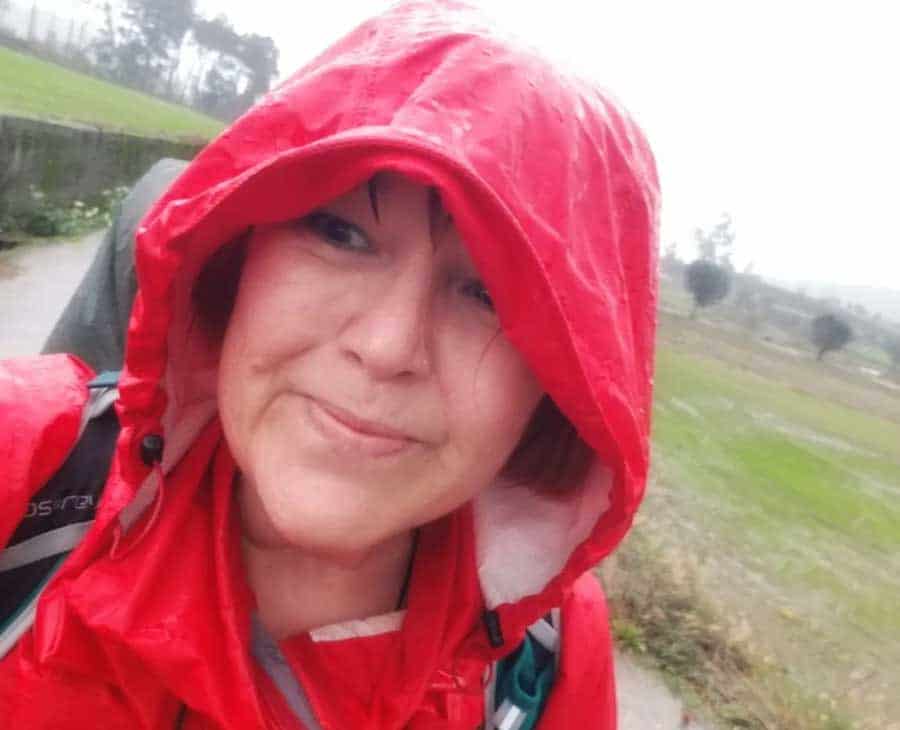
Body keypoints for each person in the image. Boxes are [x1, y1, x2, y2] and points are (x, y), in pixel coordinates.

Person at [0, 1, 659, 727]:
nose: (385, 348)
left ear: (557, 390)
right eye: (341, 232)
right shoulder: (26, 466)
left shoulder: (548, 665)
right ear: (239, 251)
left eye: (491, 297)